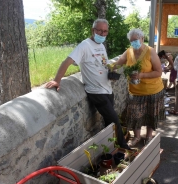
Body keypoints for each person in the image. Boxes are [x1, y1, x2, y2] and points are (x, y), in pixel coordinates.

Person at [45, 19, 130, 149]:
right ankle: (124, 148)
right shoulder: (85, 45)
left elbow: (103, 64)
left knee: (109, 122)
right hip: (96, 92)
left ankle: (109, 147)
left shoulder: (101, 46)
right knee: (114, 120)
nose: (102, 34)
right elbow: (66, 62)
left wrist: (111, 71)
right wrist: (57, 80)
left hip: (107, 89)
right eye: (99, 30)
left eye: (105, 31)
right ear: (93, 30)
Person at [113, 28, 165, 146]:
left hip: (153, 90)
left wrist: (141, 75)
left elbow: (158, 72)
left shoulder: (150, 52)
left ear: (142, 39)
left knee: (151, 114)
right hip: (135, 91)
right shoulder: (129, 52)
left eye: (135, 40)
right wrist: (108, 66)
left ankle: (148, 136)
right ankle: (136, 137)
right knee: (135, 115)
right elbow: (119, 62)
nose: (133, 43)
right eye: (131, 41)